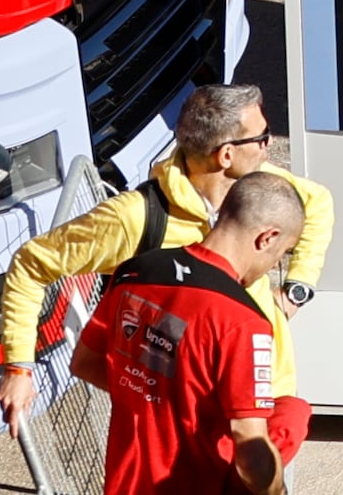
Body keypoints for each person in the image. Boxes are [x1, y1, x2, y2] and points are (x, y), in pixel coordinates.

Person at [0, 90, 337, 431]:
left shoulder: (257, 186)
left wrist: (295, 291)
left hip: (265, 396)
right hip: (188, 418)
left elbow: (317, 203)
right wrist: (18, 368)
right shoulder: (135, 217)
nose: (268, 145)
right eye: (261, 137)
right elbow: (31, 264)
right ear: (226, 155)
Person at [77, 170, 305, 495]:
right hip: (194, 482)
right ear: (267, 238)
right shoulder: (244, 321)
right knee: (292, 414)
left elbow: (85, 362)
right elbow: (252, 454)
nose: (273, 265)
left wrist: (154, 401)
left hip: (124, 481)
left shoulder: (136, 270)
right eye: (282, 255)